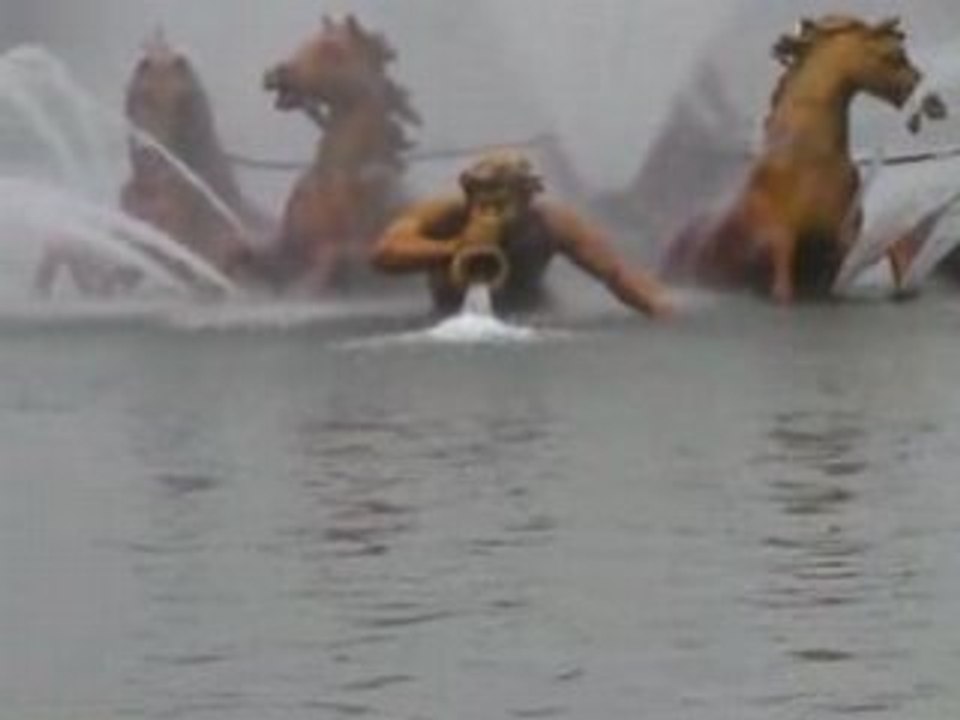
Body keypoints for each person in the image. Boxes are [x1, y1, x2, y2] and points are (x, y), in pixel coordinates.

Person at [370, 151, 674, 318]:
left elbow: (615, 272)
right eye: (480, 195)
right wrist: (455, 247)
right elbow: (386, 251)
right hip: (449, 317)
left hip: (529, 319)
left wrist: (657, 310)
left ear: (528, 195)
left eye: (501, 198)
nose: (488, 205)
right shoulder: (443, 213)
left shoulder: (553, 221)